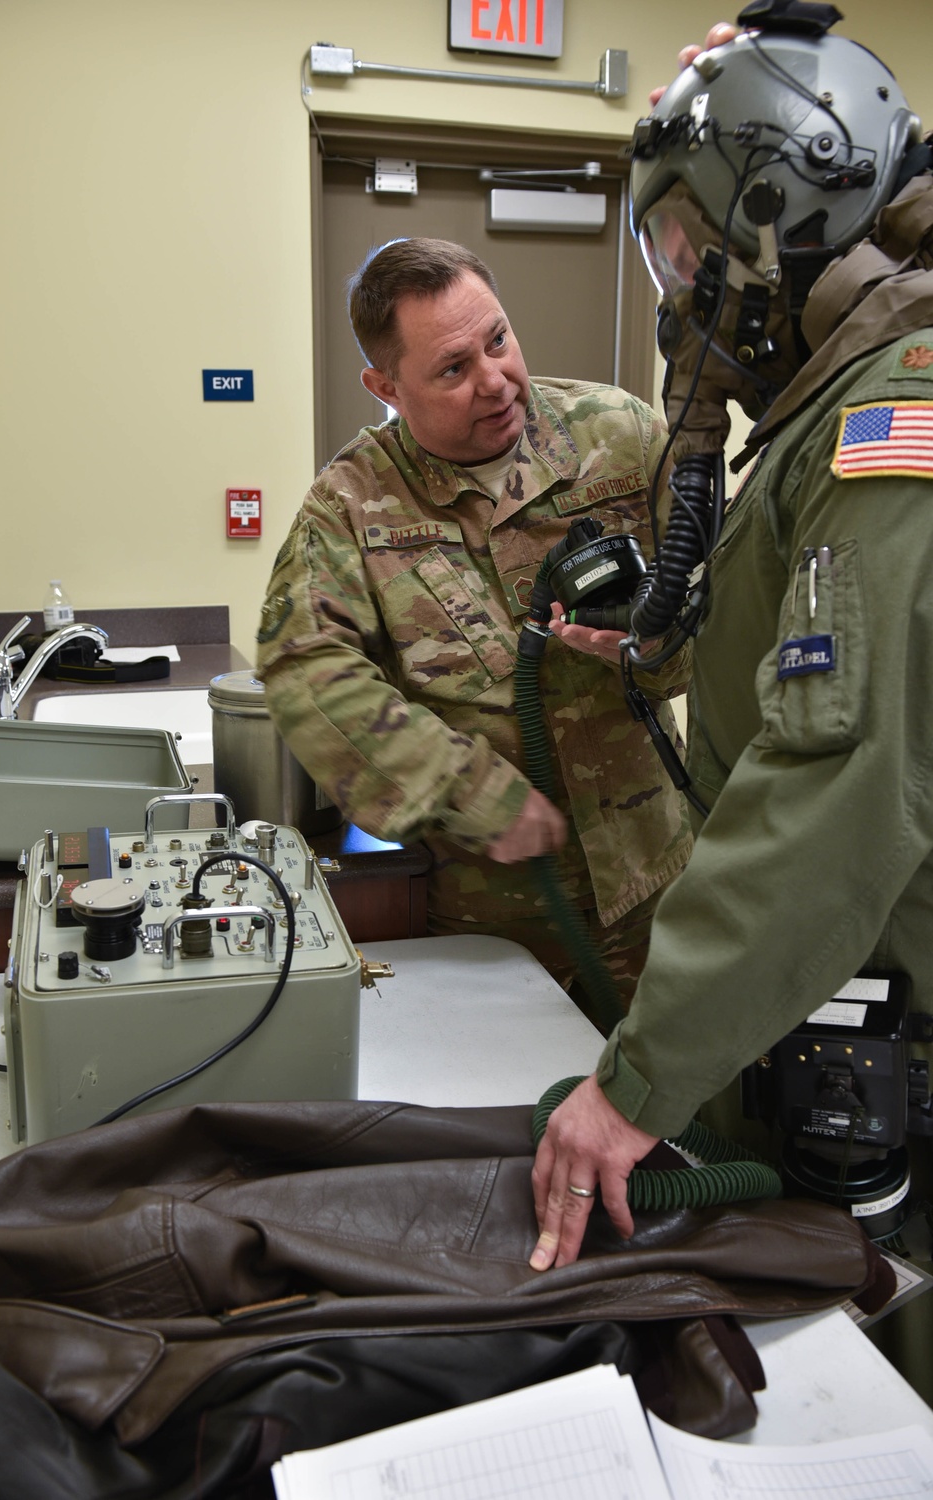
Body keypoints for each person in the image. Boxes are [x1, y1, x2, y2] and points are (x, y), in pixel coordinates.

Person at [531, 0, 933, 1307]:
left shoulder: (894, 416)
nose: (682, 284)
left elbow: (836, 782)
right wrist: (661, 642)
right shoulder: (837, 397)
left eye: (686, 242)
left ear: (779, 209)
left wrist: (634, 1085)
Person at [255, 237, 692, 1009]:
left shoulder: (620, 436)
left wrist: (660, 646)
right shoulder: (350, 505)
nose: (495, 381)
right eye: (453, 369)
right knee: (514, 1119)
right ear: (384, 385)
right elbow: (307, 669)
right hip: (492, 930)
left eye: (499, 340)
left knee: (677, 1120)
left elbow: (719, 599)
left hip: (660, 888)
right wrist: (469, 792)